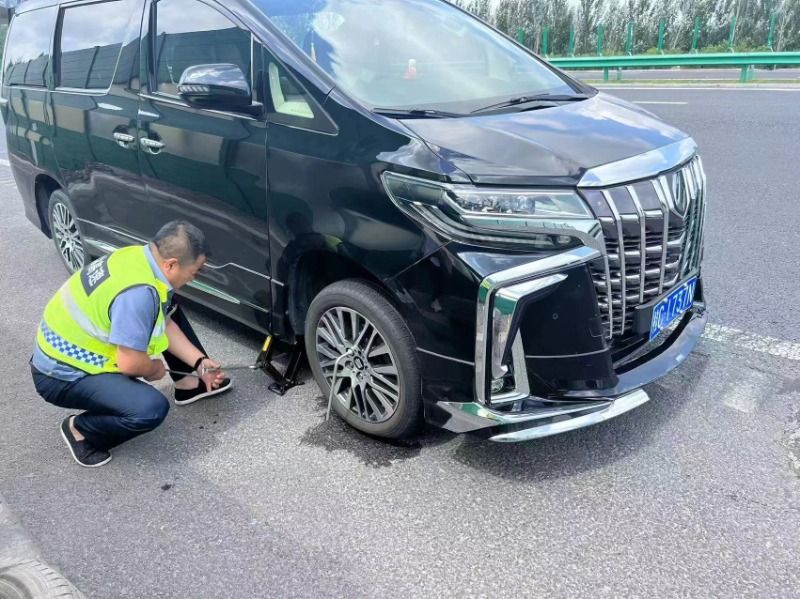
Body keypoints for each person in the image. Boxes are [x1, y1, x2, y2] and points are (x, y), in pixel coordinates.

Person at [30, 220, 232, 467]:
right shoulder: (138, 295)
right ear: (171, 264)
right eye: (195, 270)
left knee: (168, 304)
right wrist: (154, 368)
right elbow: (130, 364)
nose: (196, 276)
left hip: (59, 351)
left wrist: (199, 363)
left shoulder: (138, 258)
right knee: (150, 409)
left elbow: (163, 321)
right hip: (61, 374)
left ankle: (188, 385)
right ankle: (80, 430)